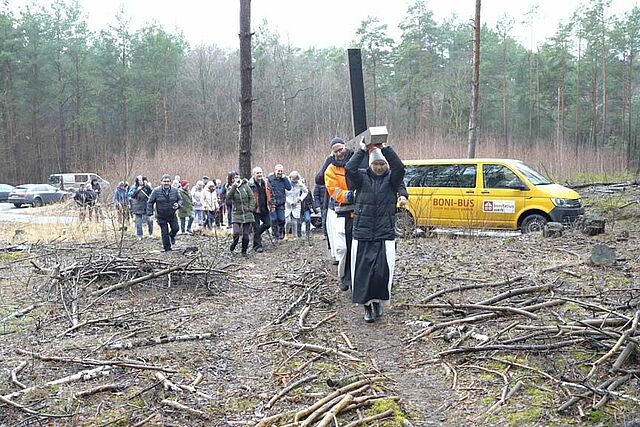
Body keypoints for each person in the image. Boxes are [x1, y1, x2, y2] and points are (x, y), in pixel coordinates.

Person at [346, 141, 405, 322]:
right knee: (363, 274)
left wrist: (386, 149)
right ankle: (366, 307)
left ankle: (378, 302)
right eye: (376, 164)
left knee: (381, 273)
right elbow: (349, 168)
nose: (379, 167)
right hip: (363, 233)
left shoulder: (392, 180)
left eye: (382, 164)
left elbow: (400, 168)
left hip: (383, 233)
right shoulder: (361, 178)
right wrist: (363, 150)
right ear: (370, 164)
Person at [323, 137, 355, 291]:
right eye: (335, 151)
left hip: (361, 213)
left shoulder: (357, 159)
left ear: (345, 147)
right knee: (343, 249)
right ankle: (344, 276)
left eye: (340, 149)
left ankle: (357, 277)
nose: (339, 153)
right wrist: (349, 196)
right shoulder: (331, 169)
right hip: (343, 213)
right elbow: (334, 191)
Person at [147, 174, 183, 252]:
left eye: (168, 181)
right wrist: (150, 214)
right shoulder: (156, 191)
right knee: (164, 232)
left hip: (172, 215)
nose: (166, 183)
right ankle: (167, 248)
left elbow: (180, 200)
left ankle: (171, 236)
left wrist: (178, 205)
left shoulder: (175, 190)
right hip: (161, 215)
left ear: (170, 182)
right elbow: (150, 202)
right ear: (161, 182)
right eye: (164, 181)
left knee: (176, 228)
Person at [226, 174, 256, 257]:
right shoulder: (230, 187)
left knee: (246, 234)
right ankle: (234, 244)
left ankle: (244, 251)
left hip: (247, 212)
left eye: (237, 177)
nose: (236, 179)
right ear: (231, 180)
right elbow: (228, 198)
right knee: (236, 232)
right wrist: (234, 187)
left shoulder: (245, 186)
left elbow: (251, 197)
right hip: (237, 213)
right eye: (234, 178)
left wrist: (251, 208)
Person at [249, 166, 272, 252]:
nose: (259, 174)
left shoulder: (266, 183)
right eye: (257, 173)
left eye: (260, 173)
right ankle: (258, 246)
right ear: (253, 174)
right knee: (256, 227)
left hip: (265, 208)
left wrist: (271, 204)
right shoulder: (250, 184)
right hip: (255, 209)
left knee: (268, 224)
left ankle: (256, 237)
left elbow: (270, 193)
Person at [267, 164, 292, 240]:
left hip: (281, 203)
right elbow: (267, 189)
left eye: (281, 171)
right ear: (275, 170)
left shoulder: (284, 179)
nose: (280, 172)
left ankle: (281, 232)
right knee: (274, 220)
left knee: (282, 219)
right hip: (273, 203)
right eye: (278, 171)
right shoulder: (270, 179)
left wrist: (285, 179)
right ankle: (275, 235)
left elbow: (289, 188)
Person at [284, 171, 308, 239]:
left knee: (295, 221)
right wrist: (289, 201)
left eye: (295, 179)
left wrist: (300, 198)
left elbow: (305, 191)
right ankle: (286, 234)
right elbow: (283, 194)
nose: (294, 181)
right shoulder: (286, 183)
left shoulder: (300, 184)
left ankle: (295, 235)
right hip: (287, 204)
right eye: (293, 179)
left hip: (296, 204)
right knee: (288, 220)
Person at [299, 179, 316, 244]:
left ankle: (307, 233)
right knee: (299, 222)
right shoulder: (298, 191)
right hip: (299, 210)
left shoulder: (308, 191)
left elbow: (311, 200)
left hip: (307, 209)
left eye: (304, 182)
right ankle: (299, 234)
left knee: (308, 220)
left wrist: (314, 209)